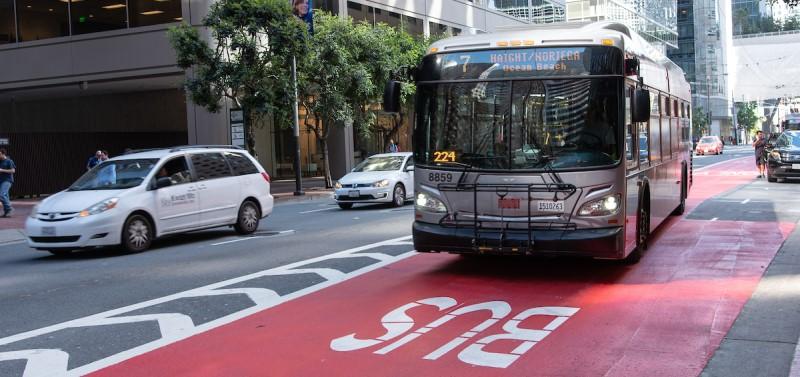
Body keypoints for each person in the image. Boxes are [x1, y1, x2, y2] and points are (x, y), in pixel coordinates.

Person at [0, 148, 16, 217]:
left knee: (2, 195)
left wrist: (2, 170)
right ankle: (7, 213)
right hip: (1, 181)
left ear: (3, 154)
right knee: (6, 196)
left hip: (8, 181)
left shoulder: (9, 161)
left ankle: (9, 208)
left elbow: (13, 171)